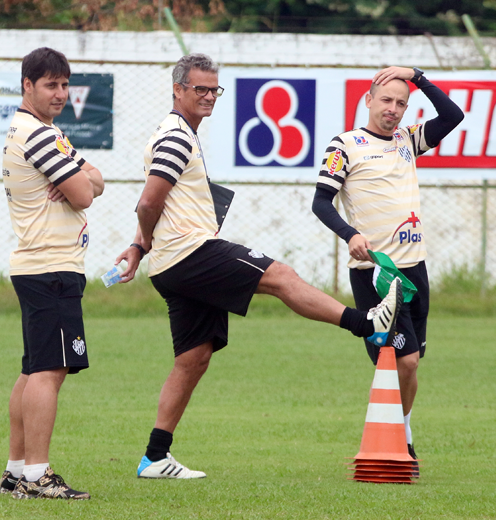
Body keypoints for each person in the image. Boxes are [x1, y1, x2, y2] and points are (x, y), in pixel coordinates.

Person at [114, 53, 402, 480]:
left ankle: (155, 457)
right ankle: (367, 324)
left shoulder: (181, 133)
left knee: (193, 358)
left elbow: (159, 204)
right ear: (178, 90)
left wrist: (142, 248)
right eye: (200, 89)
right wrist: (144, 241)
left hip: (173, 261)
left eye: (215, 89)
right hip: (189, 254)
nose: (210, 96)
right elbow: (148, 202)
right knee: (281, 277)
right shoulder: (175, 136)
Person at [312, 66, 463, 473]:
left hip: (416, 270)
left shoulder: (407, 141)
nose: (393, 109)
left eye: (401, 103)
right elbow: (321, 202)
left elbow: (453, 117)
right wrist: (349, 234)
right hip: (376, 273)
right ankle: (397, 439)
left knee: (412, 361)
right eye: (386, 100)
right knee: (404, 361)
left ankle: (404, 432)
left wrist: (418, 77)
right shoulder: (345, 145)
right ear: (368, 100)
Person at [0, 47, 104, 500]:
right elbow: (85, 191)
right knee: (49, 370)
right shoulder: (39, 136)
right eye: (51, 85)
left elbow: (93, 180)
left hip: (39, 265)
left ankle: (16, 470)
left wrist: (84, 179)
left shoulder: (37, 131)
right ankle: (37, 475)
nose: (61, 93)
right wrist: (82, 179)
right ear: (27, 86)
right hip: (50, 266)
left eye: (65, 85)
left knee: (32, 370)